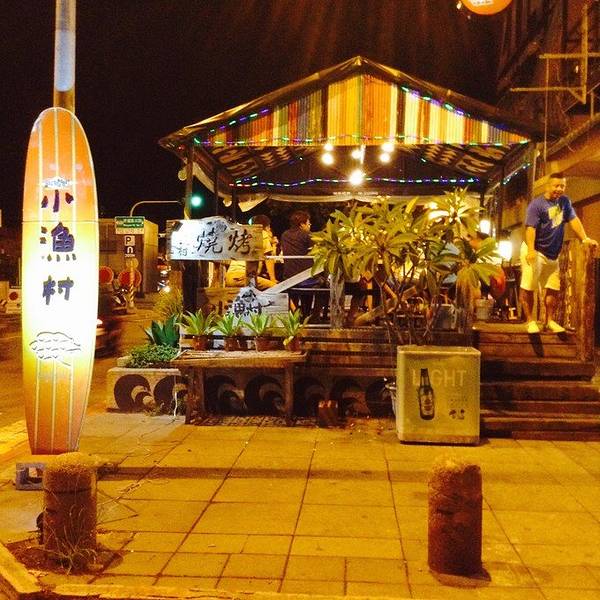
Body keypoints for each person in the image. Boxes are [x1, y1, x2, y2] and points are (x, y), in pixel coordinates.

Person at [519, 172, 597, 334]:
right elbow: (530, 228)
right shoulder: (536, 205)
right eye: (556, 185)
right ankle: (530, 320)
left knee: (553, 287)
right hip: (535, 250)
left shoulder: (564, 202)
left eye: (562, 186)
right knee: (529, 286)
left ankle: (549, 321)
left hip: (553, 254)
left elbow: (574, 220)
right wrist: (531, 250)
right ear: (548, 186)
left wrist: (585, 238)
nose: (559, 189)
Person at [280, 209, 327, 321]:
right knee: (325, 285)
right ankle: (314, 316)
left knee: (307, 278)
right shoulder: (307, 235)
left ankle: (297, 315)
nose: (310, 225)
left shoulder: (284, 235)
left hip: (289, 278)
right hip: (306, 279)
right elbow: (318, 253)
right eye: (308, 223)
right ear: (302, 224)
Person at [225, 214, 278, 290]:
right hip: (245, 277)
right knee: (276, 288)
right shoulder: (262, 234)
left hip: (229, 278)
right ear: (267, 227)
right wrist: (273, 279)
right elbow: (269, 259)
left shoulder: (243, 234)